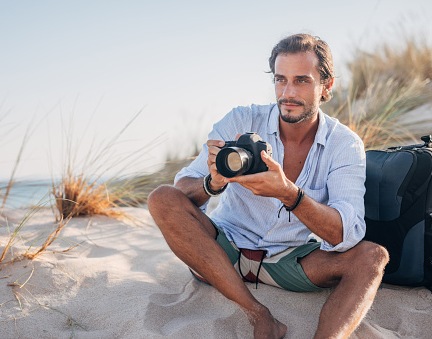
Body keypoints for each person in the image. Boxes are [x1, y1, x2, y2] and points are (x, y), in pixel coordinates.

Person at [147, 33, 389, 339]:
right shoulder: (241, 119)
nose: (287, 92)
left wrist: (289, 194)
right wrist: (213, 182)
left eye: (302, 80)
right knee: (161, 198)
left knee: (373, 256)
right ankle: (257, 313)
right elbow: (181, 193)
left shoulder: (344, 144)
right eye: (280, 79)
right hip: (223, 253)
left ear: (326, 86)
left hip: (292, 259)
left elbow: (346, 234)